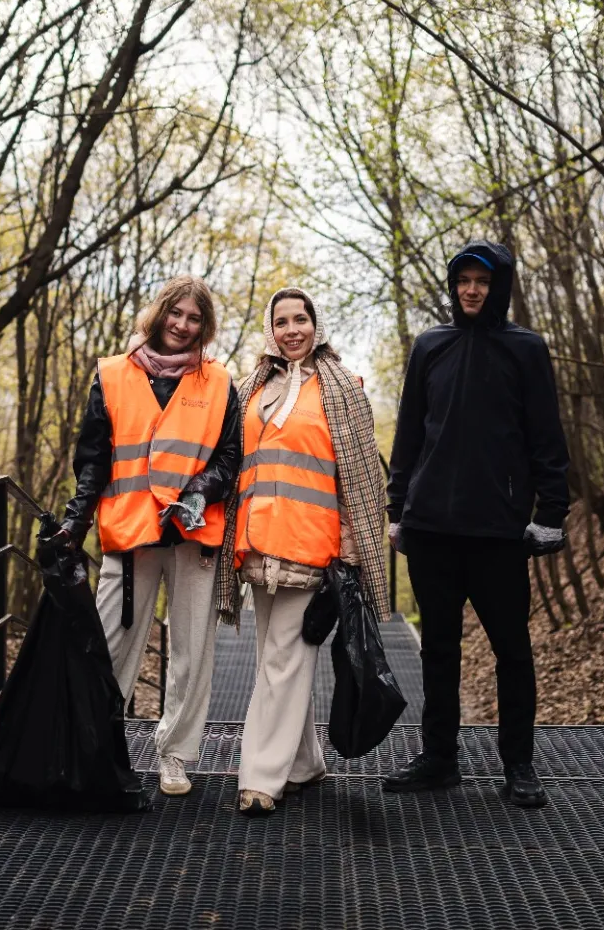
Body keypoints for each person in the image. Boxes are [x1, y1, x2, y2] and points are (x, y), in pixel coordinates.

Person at [383, 241, 570, 808]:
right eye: (462, 280)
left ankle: (519, 766)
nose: (471, 290)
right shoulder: (430, 347)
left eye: (482, 282)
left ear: (499, 287)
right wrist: (398, 510)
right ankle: (439, 759)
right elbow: (410, 434)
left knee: (512, 651)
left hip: (498, 534)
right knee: (437, 651)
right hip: (433, 530)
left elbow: (546, 438)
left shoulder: (526, 349)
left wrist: (550, 515)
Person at [60, 275, 241, 797]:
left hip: (192, 533)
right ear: (159, 313)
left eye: (194, 319)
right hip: (129, 533)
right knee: (112, 647)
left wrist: (203, 489)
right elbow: (92, 460)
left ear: (204, 327)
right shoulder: (112, 374)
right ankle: (98, 751)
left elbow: (231, 455)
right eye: (176, 314)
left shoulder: (219, 381)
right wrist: (76, 521)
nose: (182, 326)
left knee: (190, 650)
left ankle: (175, 757)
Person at [213, 288, 389, 816]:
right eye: (283, 321)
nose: (293, 330)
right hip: (255, 545)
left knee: (283, 662)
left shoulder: (344, 390)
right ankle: (306, 762)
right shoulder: (251, 389)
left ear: (317, 324)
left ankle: (261, 778)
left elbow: (358, 480)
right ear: (271, 328)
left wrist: (353, 552)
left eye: (302, 319)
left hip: (312, 548)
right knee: (278, 660)